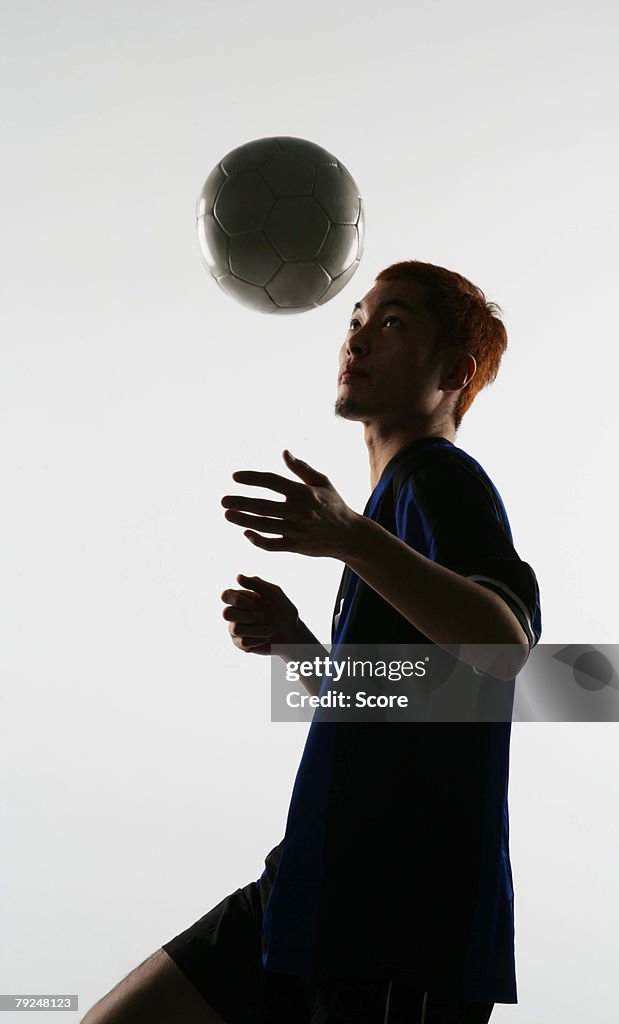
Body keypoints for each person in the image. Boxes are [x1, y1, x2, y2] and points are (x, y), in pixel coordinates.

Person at [80, 261, 542, 1024]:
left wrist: (347, 537)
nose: (357, 339)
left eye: (392, 322)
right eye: (355, 320)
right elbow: (394, 707)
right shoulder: (386, 520)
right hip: (309, 890)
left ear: (453, 371)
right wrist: (296, 646)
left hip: (399, 923)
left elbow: (501, 646)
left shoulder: (437, 480)